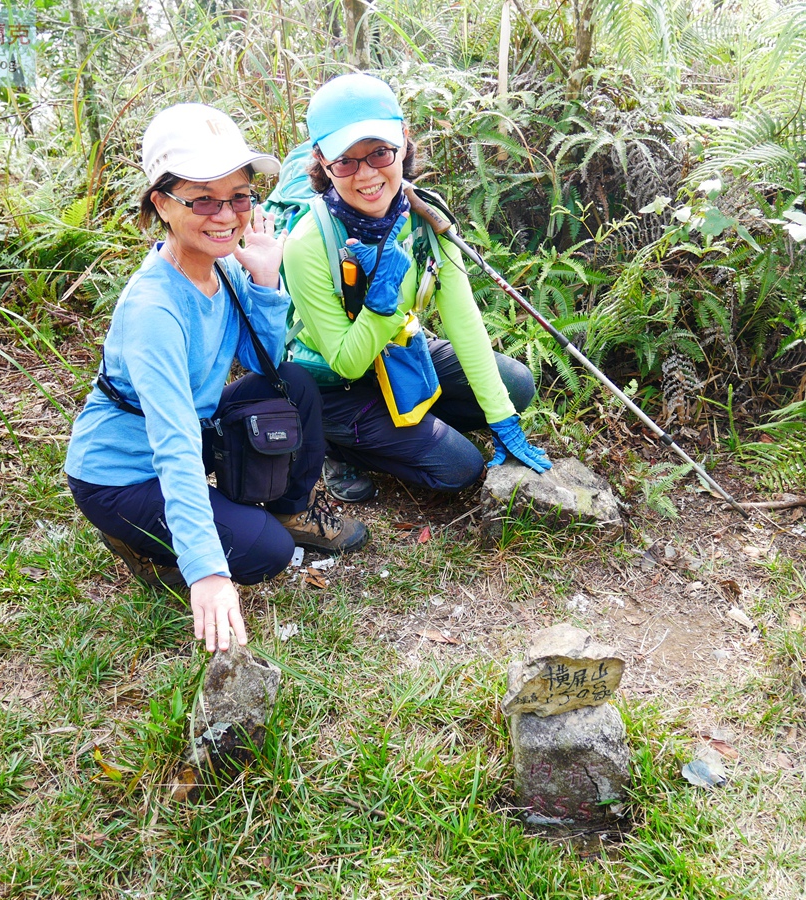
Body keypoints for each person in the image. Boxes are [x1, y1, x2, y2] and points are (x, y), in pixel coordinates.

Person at [65, 103, 366, 653]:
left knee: (294, 383)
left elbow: (264, 363)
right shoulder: (154, 309)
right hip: (123, 475)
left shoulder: (222, 265)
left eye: (239, 197)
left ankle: (292, 508)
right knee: (266, 553)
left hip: (197, 425)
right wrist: (205, 567)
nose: (225, 215)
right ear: (162, 203)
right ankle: (140, 541)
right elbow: (173, 442)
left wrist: (267, 280)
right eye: (202, 199)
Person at [280, 73, 552, 503]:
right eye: (346, 161)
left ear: (403, 141)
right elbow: (347, 363)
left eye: (379, 152)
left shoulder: (427, 219)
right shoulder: (307, 244)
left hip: (395, 354)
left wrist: (501, 416)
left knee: (515, 385)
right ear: (321, 160)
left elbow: (464, 322)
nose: (366, 175)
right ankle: (335, 445)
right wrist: (382, 300)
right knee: (461, 468)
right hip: (333, 384)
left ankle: (404, 423)